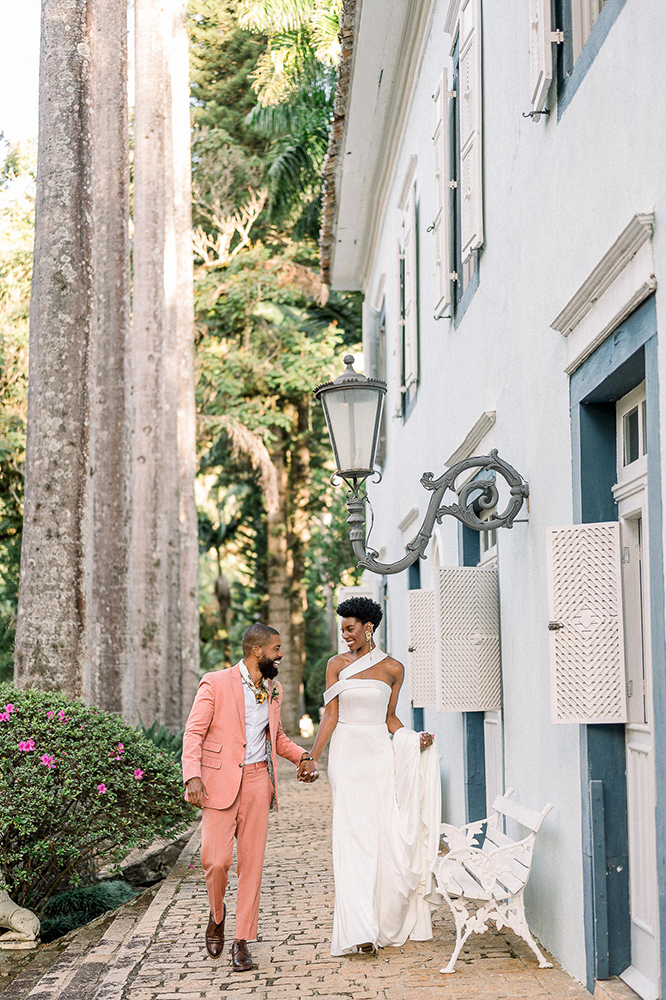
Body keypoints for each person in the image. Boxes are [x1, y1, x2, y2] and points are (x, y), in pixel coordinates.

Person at [306, 596, 441, 957]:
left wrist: (414, 739)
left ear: (368, 627)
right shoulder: (335, 665)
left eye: (349, 628)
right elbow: (330, 716)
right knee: (352, 840)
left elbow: (390, 717)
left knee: (382, 834)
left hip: (380, 754)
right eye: (342, 629)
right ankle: (359, 929)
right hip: (348, 755)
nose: (345, 635)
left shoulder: (394, 668)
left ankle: (381, 920)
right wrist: (313, 757)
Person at [181, 623, 318, 972]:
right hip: (218, 783)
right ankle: (217, 914)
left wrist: (301, 755)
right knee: (215, 861)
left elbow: (278, 737)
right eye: (276, 648)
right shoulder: (215, 681)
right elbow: (194, 731)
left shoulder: (274, 689)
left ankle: (242, 941)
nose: (280, 654)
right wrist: (192, 775)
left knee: (251, 865)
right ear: (257, 651)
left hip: (259, 781)